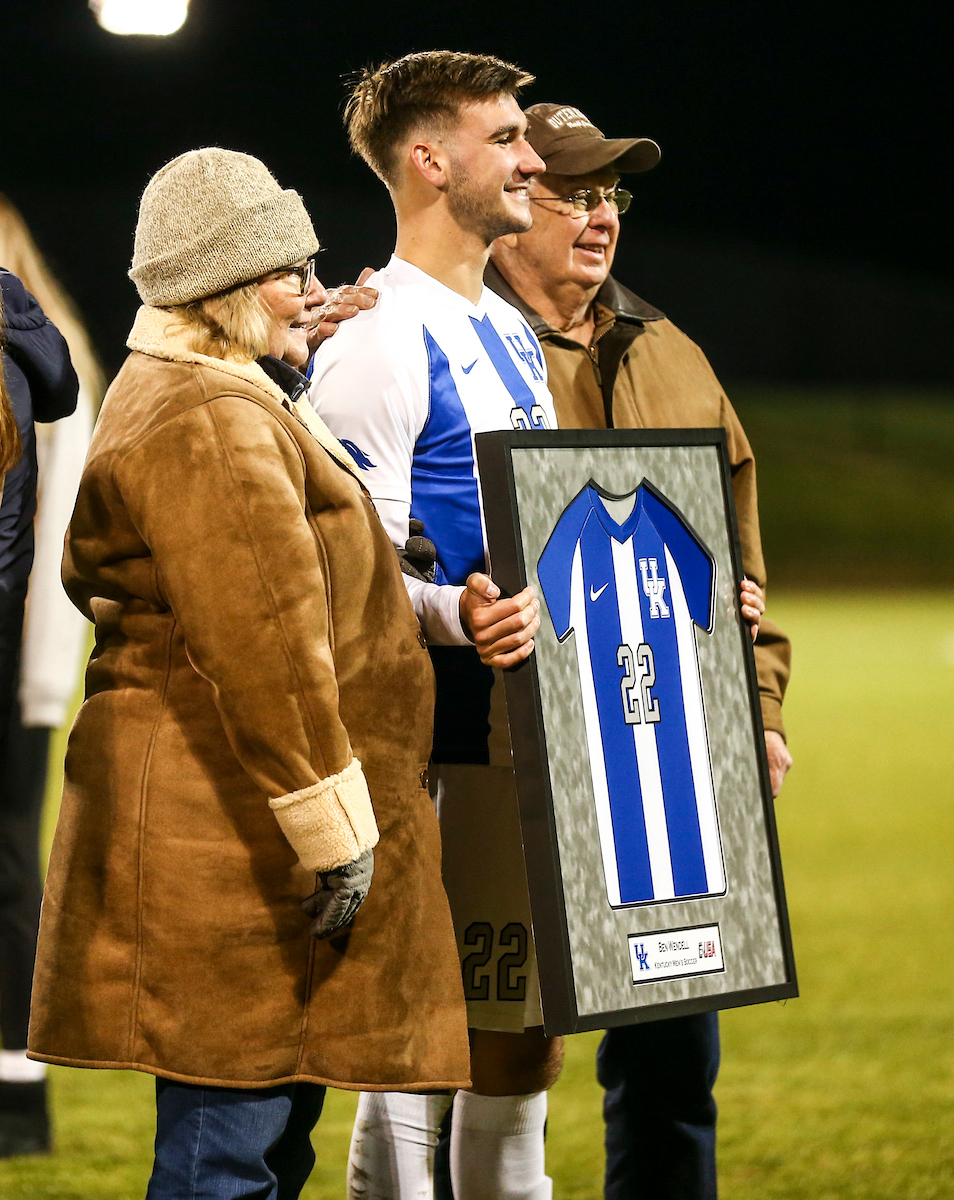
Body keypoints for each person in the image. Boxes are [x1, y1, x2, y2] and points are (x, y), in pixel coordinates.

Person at [26, 148, 469, 1198]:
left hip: (222, 816)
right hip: (230, 828)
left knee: (259, 1129)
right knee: (228, 1145)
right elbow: (265, 641)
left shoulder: (204, 385)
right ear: (222, 287)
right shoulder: (214, 419)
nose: (314, 295)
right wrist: (333, 825)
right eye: (288, 274)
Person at [485, 102, 793, 1200]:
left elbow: (738, 556)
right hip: (507, 760)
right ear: (509, 198)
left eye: (612, 194)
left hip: (668, 761)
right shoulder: (459, 348)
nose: (600, 215)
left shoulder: (670, 349)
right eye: (573, 191)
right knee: (482, 1065)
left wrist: (757, 711)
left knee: (672, 1060)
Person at [310, 50, 562, 1200]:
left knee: (513, 1032)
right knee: (419, 1044)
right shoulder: (379, 336)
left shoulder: (505, 326)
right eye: (504, 136)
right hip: (436, 743)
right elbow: (344, 566)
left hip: (521, 730)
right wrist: (450, 617)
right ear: (428, 158)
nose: (530, 156)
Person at [0, 194, 100, 1157]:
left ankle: (15, 1102)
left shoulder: (40, 342)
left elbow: (59, 513)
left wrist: (40, 664)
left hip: (18, 651)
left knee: (6, 865)